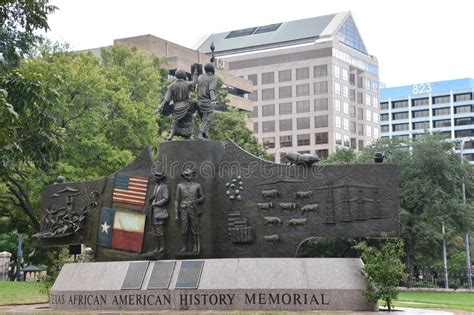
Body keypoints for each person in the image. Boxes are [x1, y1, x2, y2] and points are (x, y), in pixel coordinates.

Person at [154, 69, 197, 141]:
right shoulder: (187, 83)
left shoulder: (172, 86)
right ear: (183, 75)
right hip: (186, 105)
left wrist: (159, 108)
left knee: (175, 122)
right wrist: (195, 72)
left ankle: (171, 135)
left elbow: (166, 99)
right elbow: (194, 82)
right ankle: (189, 135)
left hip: (176, 107)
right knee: (189, 121)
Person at [175, 168, 205, 252]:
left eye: (190, 175)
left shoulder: (197, 185)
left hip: (193, 209)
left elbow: (202, 197)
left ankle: (195, 246)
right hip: (184, 209)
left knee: (195, 228)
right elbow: (177, 200)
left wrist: (196, 201)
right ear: (184, 176)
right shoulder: (180, 186)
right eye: (187, 175)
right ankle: (184, 247)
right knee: (184, 229)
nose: (189, 176)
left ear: (193, 175)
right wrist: (176, 214)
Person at [149, 168, 170, 253]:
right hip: (153, 212)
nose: (154, 178)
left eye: (156, 177)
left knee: (160, 231)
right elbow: (153, 195)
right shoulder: (156, 186)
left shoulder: (164, 187)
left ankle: (162, 247)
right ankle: (157, 247)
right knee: (154, 230)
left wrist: (156, 203)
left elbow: (166, 198)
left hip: (160, 212)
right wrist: (150, 199)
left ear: (160, 178)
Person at [196, 62, 217, 140]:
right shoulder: (213, 77)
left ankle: (204, 134)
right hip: (206, 102)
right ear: (212, 69)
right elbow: (211, 89)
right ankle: (201, 134)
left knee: (202, 119)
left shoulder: (200, 77)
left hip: (198, 102)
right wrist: (213, 99)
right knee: (207, 118)